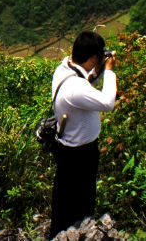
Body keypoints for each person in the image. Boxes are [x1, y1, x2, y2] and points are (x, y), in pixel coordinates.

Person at [48, 30, 119, 237]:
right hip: (80, 154)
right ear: (94, 57)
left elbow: (84, 84)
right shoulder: (75, 88)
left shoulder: (63, 69)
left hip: (68, 150)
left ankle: (59, 233)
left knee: (64, 200)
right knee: (82, 202)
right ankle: (78, 234)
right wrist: (109, 71)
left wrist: (96, 72)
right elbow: (107, 103)